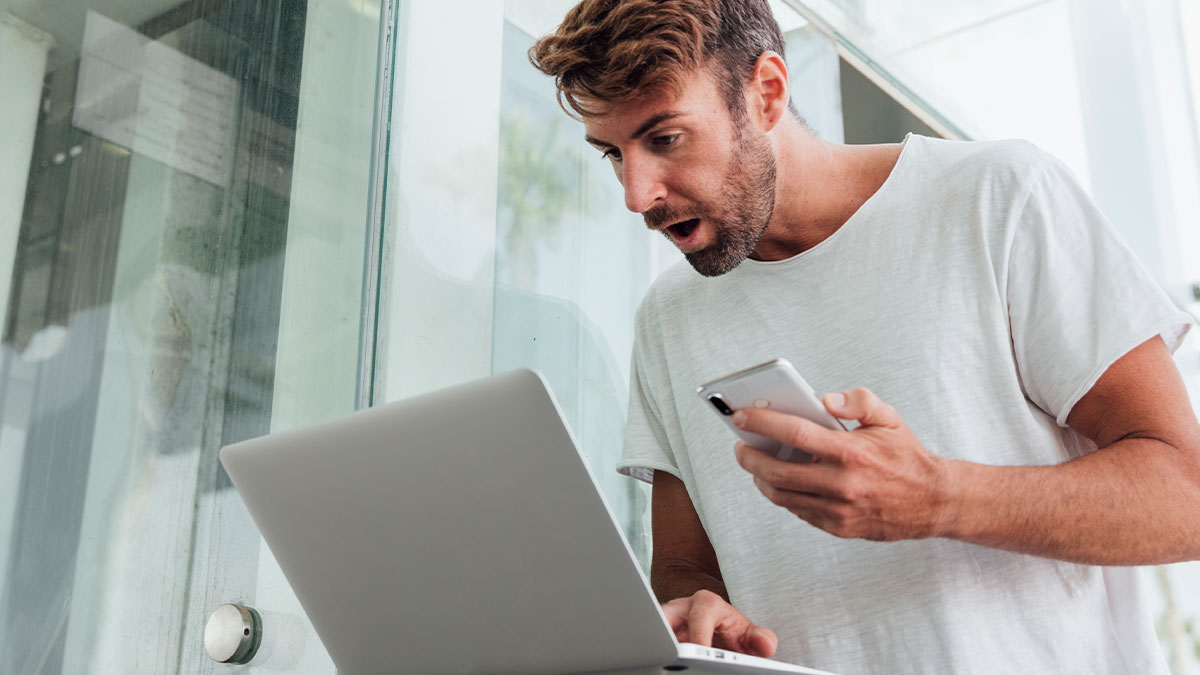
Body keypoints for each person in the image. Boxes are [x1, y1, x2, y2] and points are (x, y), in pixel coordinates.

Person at [529, 1, 1200, 673]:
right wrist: (697, 609)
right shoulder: (667, 316)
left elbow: (1188, 495)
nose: (637, 194)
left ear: (766, 92)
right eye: (613, 154)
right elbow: (683, 567)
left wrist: (937, 495)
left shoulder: (998, 199)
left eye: (665, 138)